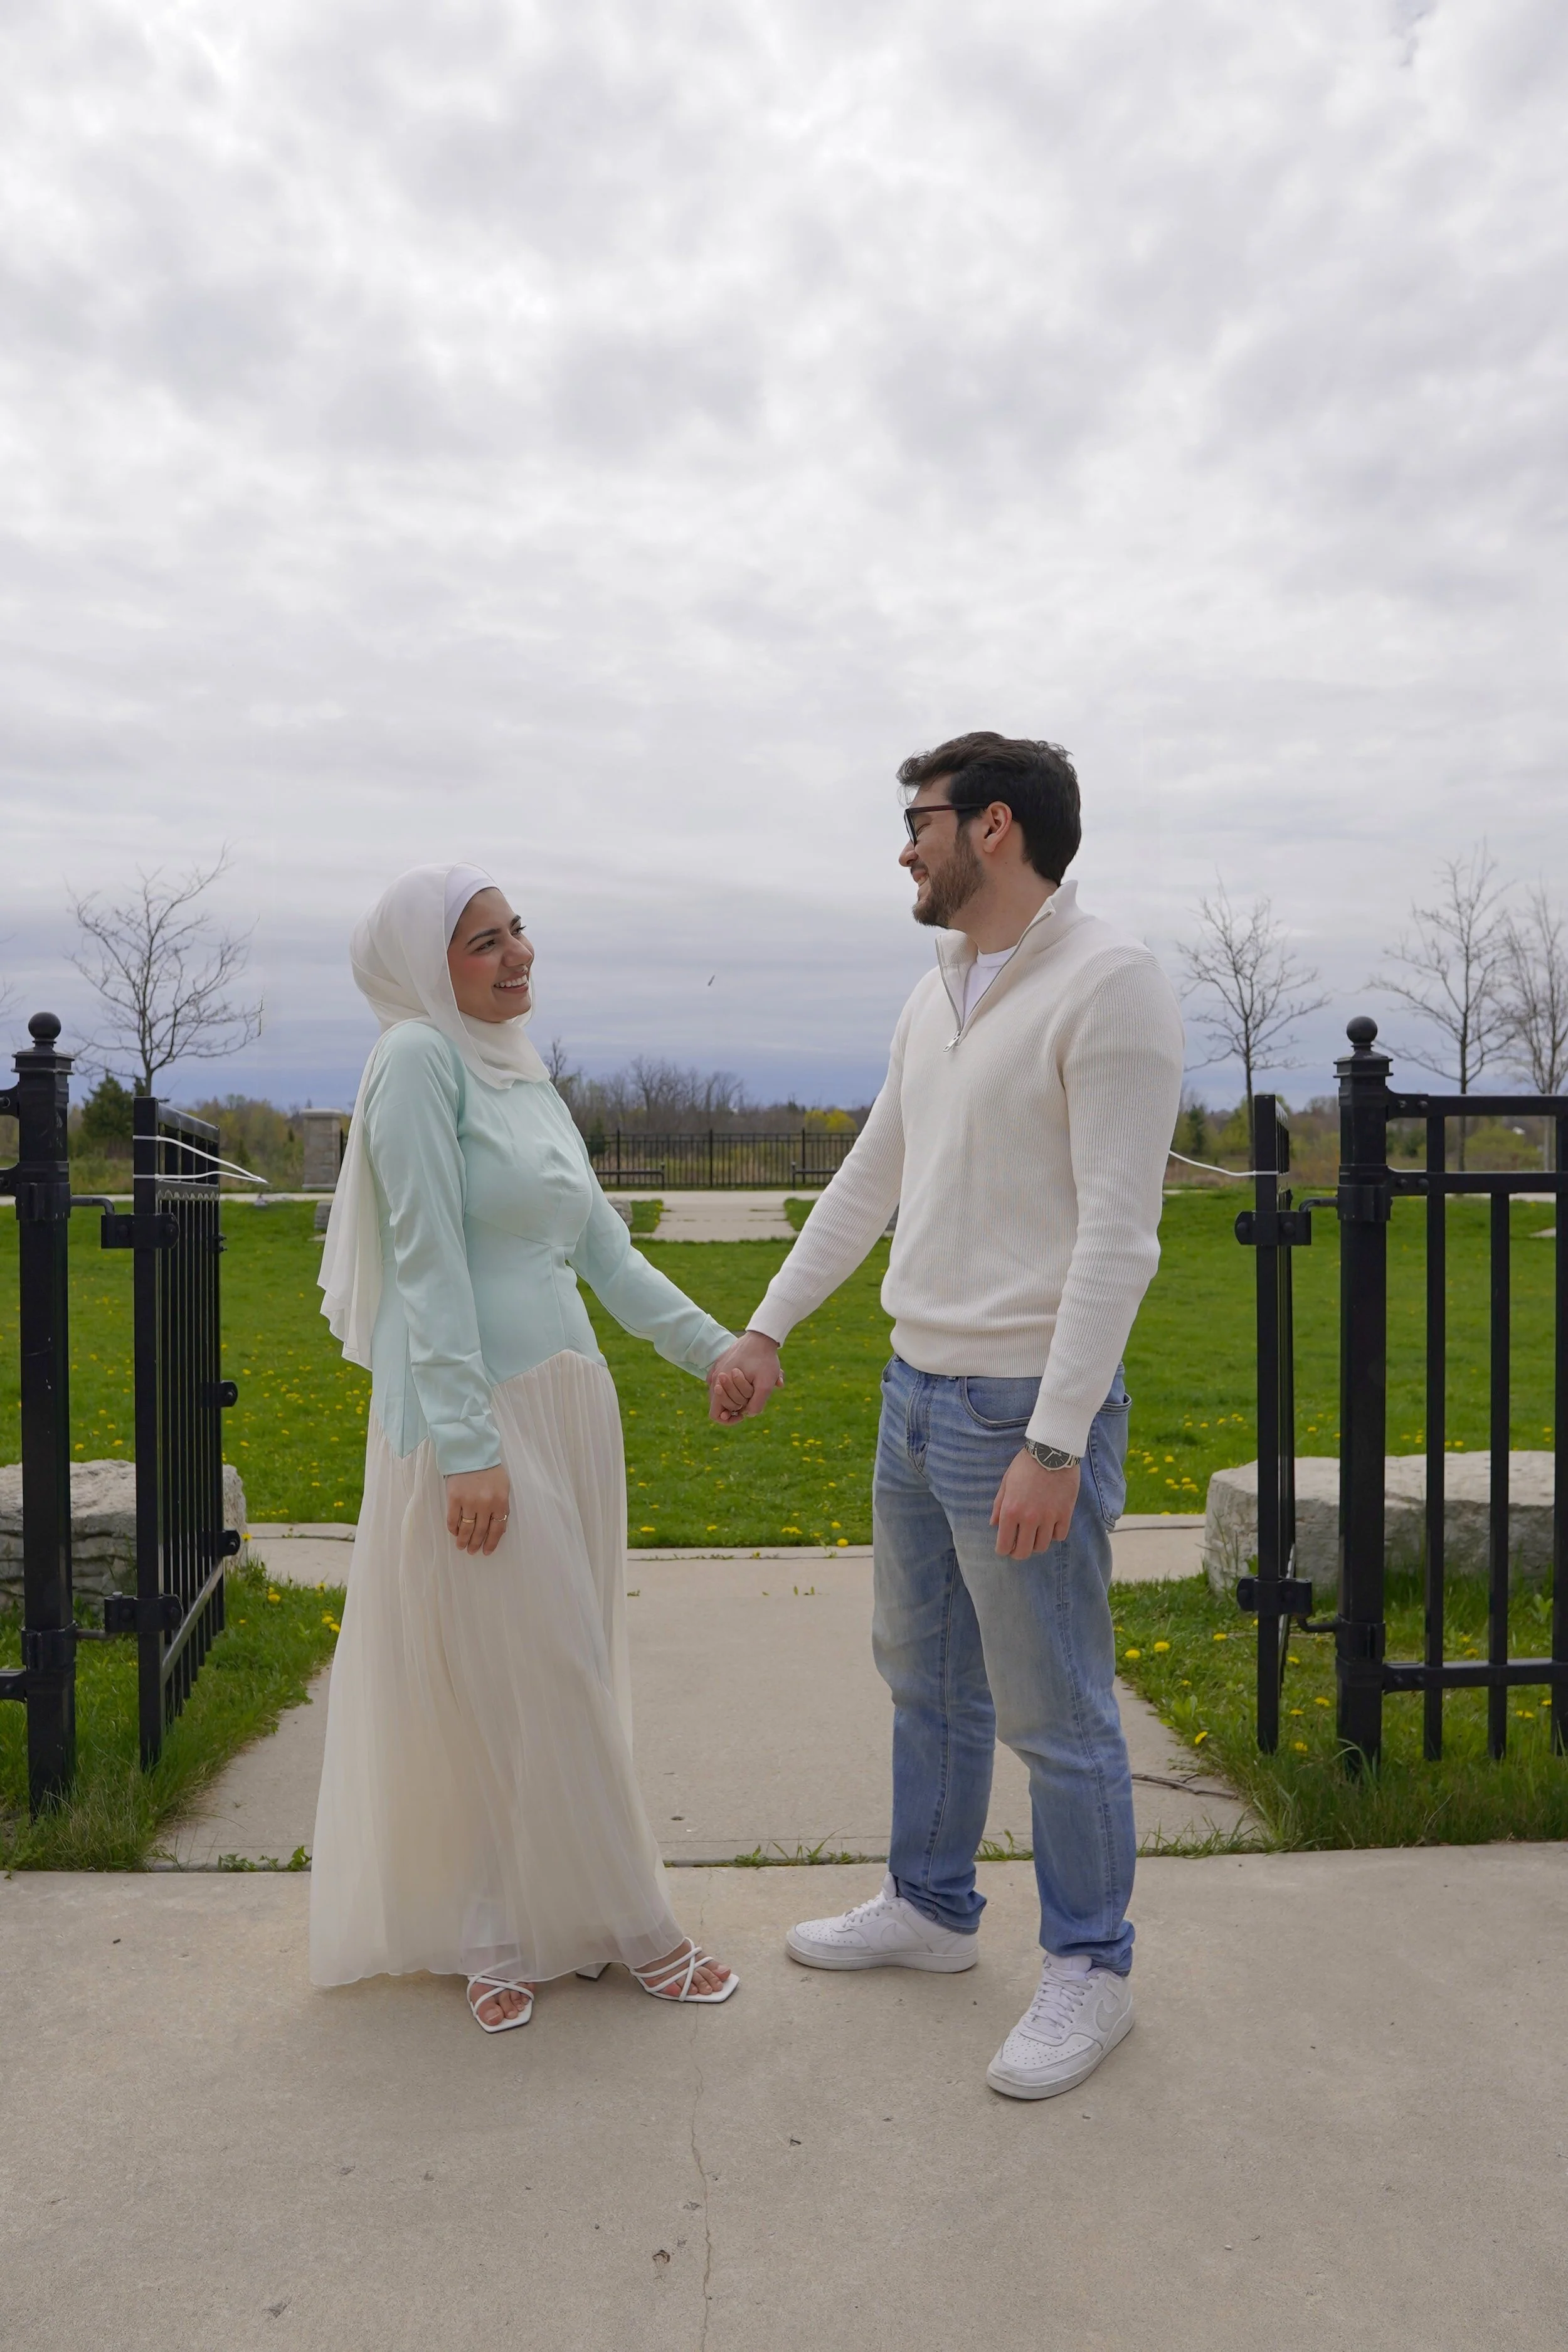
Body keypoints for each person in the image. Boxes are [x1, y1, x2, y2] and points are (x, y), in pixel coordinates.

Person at [710, 734, 1183, 2098]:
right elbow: (870, 1179)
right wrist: (766, 1324)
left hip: (1019, 1411)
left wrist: (1051, 1440)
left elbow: (1117, 1242)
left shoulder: (1111, 987)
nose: (901, 847)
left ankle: (1089, 1970)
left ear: (991, 827)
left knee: (1054, 1709)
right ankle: (930, 1908)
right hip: (913, 1392)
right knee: (924, 1676)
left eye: (915, 821)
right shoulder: (941, 990)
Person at [310, 864, 739, 2030]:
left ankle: (520, 1910)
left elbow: (601, 1250)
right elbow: (427, 1262)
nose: (518, 955)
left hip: (568, 1409)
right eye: (483, 941)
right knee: (528, 1672)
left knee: (562, 1669)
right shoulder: (415, 1061)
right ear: (422, 969)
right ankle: (624, 1923)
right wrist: (466, 1447)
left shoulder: (529, 1079)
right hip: (475, 1423)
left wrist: (717, 1351)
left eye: (518, 930)